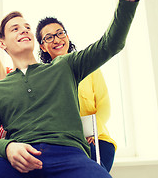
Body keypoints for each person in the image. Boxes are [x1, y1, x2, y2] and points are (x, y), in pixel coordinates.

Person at [0, 0, 141, 178]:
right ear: (2, 43)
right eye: (15, 28)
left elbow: (111, 43)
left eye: (27, 27)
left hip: (71, 157)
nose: (24, 30)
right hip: (20, 159)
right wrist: (8, 147)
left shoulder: (65, 66)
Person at [35, 17, 116, 172]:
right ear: (43, 46)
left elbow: (104, 107)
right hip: (65, 144)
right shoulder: (42, 77)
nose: (56, 39)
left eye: (60, 33)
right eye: (49, 37)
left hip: (97, 141)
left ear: (67, 37)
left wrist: (91, 133)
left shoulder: (91, 67)